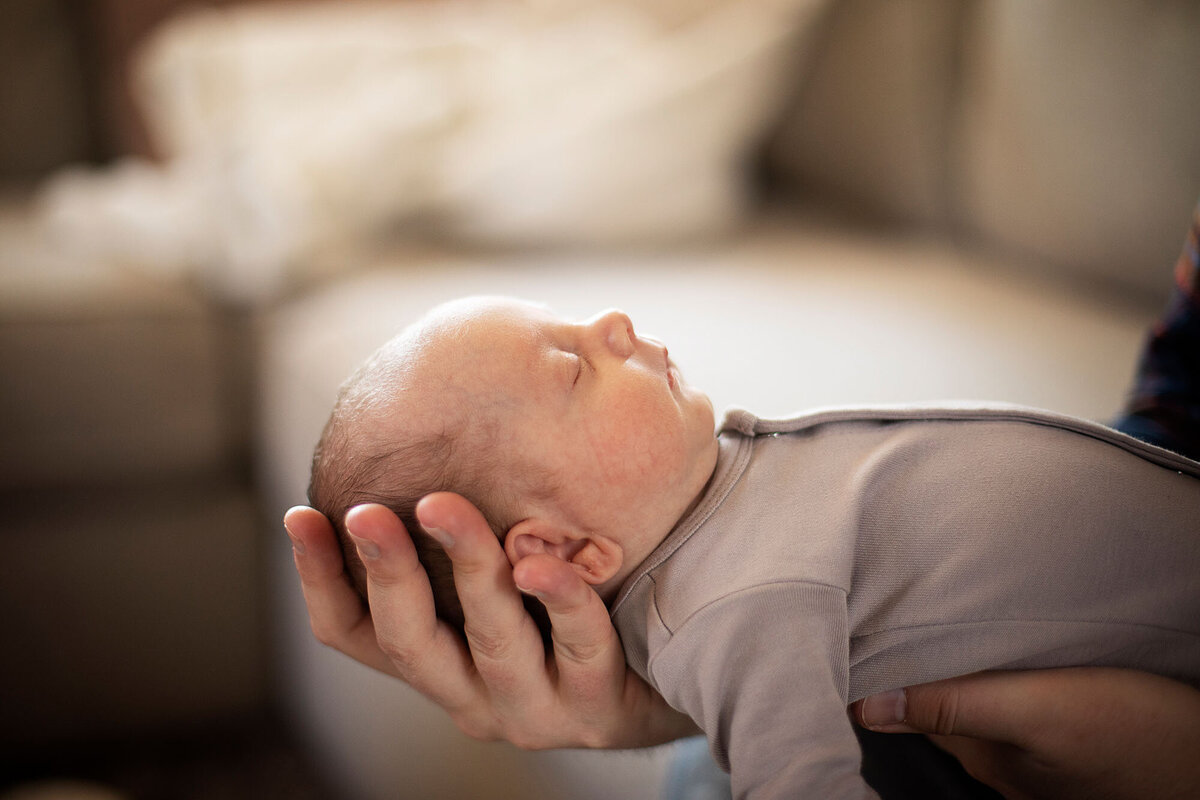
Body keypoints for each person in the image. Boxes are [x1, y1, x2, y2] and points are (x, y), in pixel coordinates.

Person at [300, 283, 1199, 797]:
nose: (613, 321)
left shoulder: (720, 494)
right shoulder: (735, 609)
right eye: (572, 365)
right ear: (570, 553)